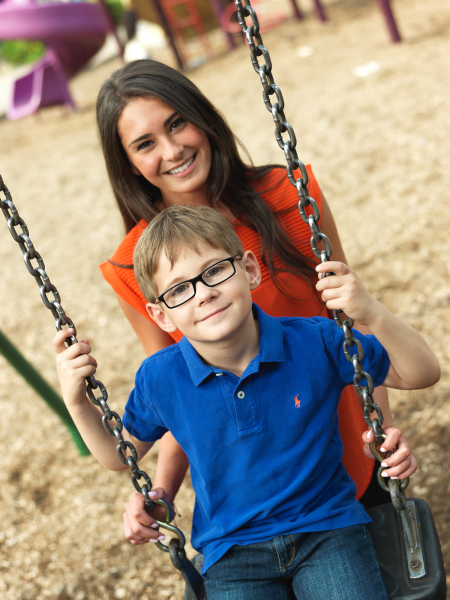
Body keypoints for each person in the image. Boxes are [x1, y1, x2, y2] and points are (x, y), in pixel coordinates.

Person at [52, 205, 440, 599]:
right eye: (179, 289)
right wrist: (79, 404)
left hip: (327, 529)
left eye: (215, 270)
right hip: (232, 551)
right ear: (161, 315)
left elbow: (421, 372)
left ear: (250, 269)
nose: (204, 293)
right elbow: (121, 456)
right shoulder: (161, 377)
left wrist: (372, 312)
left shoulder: (315, 341)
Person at [95, 59, 413, 521]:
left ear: (201, 117)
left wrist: (379, 426)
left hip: (338, 448)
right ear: (129, 165)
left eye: (177, 123)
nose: (173, 149)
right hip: (247, 489)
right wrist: (162, 489)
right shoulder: (131, 266)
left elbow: (351, 323)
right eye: (145, 144)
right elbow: (173, 390)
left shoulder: (291, 195)